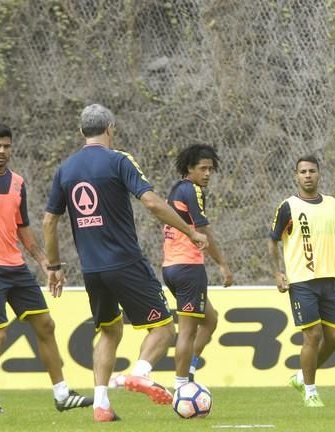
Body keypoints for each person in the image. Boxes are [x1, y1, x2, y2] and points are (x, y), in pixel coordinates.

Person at [42, 104, 208, 422]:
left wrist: (54, 266)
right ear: (111, 128)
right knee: (162, 329)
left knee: (109, 332)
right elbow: (150, 202)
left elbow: (50, 222)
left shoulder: (65, 169)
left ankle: (101, 405)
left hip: (91, 269)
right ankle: (141, 373)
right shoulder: (118, 160)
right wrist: (189, 231)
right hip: (125, 262)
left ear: (81, 133)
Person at [0, 124, 92, 415]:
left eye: (6, 146)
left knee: (46, 325)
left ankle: (62, 394)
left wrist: (45, 262)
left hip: (15, 268)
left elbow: (23, 229)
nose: (2, 151)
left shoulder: (18, 182)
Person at [268, 155, 335, 408]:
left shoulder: (332, 204)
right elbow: (272, 239)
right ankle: (311, 391)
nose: (307, 175)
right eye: (302, 171)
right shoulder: (288, 206)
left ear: (319, 174)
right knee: (313, 335)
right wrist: (277, 272)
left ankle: (301, 377)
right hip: (301, 280)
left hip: (329, 278)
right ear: (296, 175)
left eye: (311, 171)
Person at [161, 143, 233, 390]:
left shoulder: (178, 189)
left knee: (210, 320)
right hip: (188, 267)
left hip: (171, 267)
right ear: (189, 169)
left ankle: (188, 370)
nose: (207, 174)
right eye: (202, 168)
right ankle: (182, 386)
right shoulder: (193, 190)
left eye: (210, 169)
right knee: (187, 331)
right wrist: (222, 264)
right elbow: (203, 230)